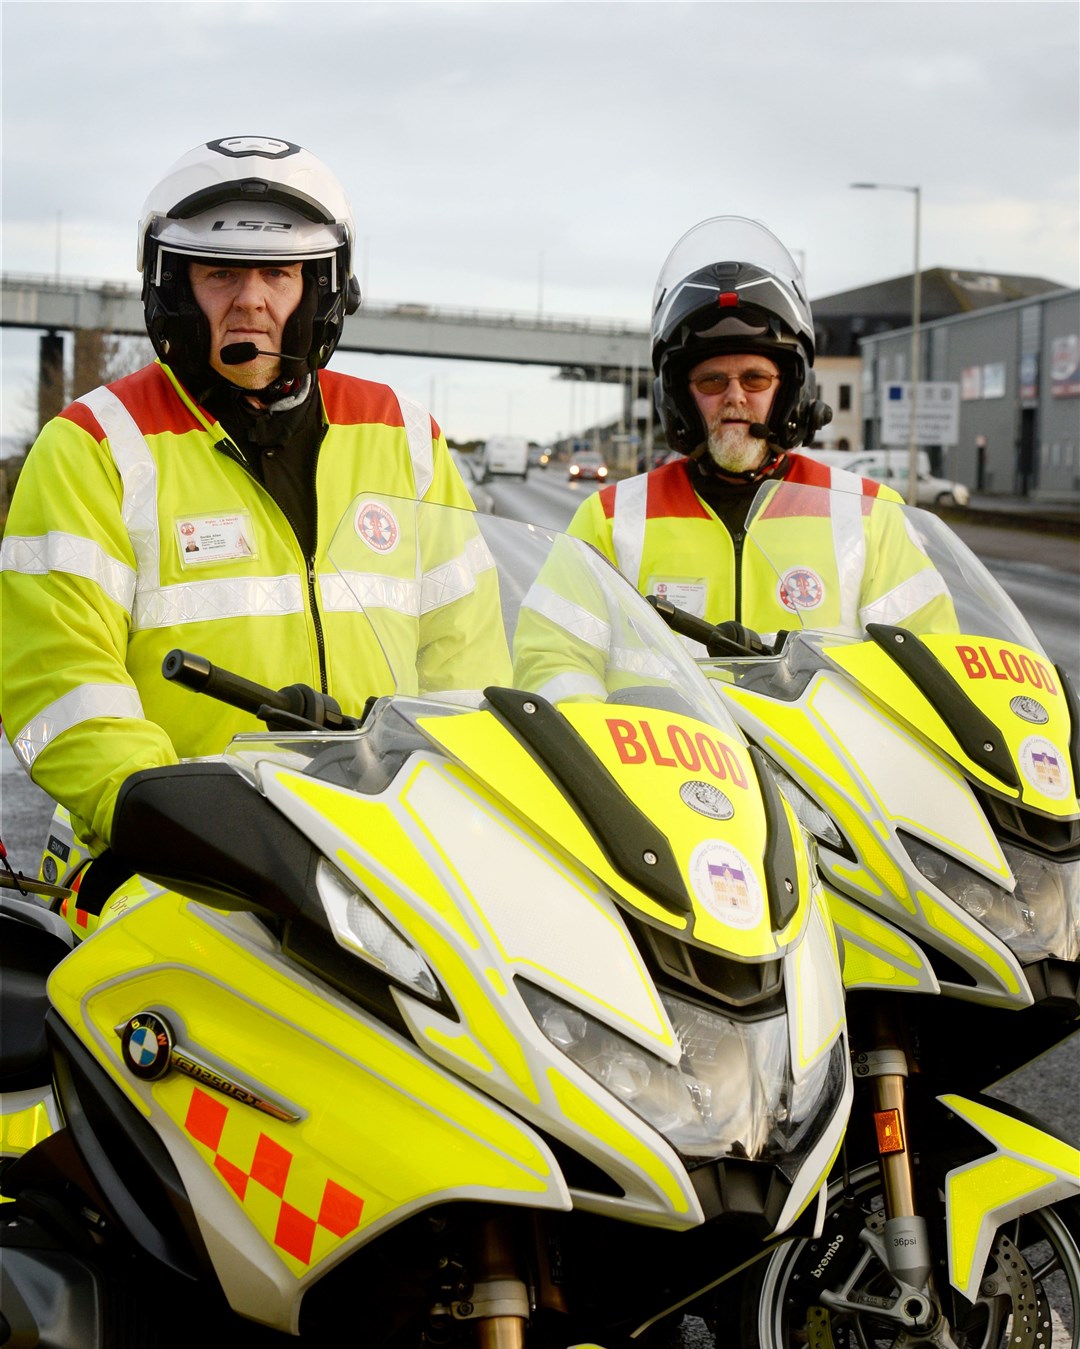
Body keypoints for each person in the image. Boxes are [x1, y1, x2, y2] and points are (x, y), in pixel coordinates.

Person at [1, 135, 506, 858]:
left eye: (277, 272)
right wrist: (170, 813)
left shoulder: (406, 437)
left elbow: (467, 665)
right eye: (220, 274)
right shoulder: (94, 446)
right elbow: (59, 675)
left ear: (320, 291)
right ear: (175, 290)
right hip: (174, 865)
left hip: (384, 860)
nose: (251, 301)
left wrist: (463, 812)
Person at [562, 217, 953, 650]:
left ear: (790, 392)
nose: (735, 397)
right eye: (712, 381)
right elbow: (556, 654)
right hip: (662, 722)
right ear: (679, 399)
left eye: (755, 380)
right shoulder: (610, 518)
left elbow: (930, 660)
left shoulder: (870, 513)